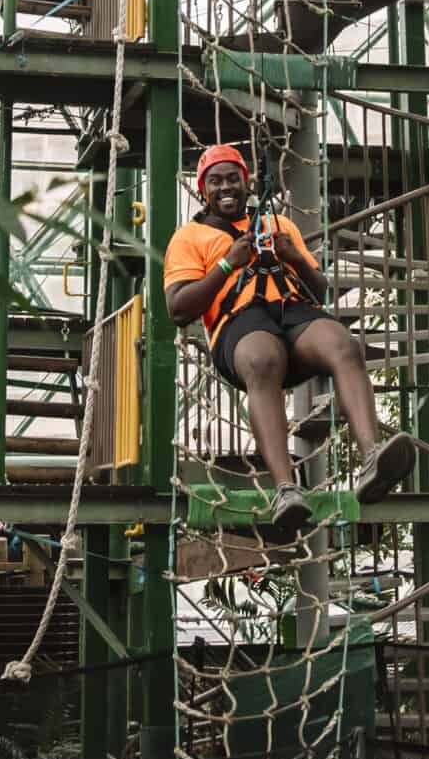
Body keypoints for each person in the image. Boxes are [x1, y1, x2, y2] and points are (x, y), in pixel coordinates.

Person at [164, 142, 415, 543]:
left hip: (293, 313)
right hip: (239, 324)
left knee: (343, 344)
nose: (225, 187)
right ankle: (286, 489)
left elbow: (320, 292)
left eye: (233, 179)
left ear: (247, 184)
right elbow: (178, 309)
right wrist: (229, 262)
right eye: (216, 181)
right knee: (263, 359)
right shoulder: (189, 238)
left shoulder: (279, 224)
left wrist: (295, 256)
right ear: (202, 190)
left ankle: (372, 458)